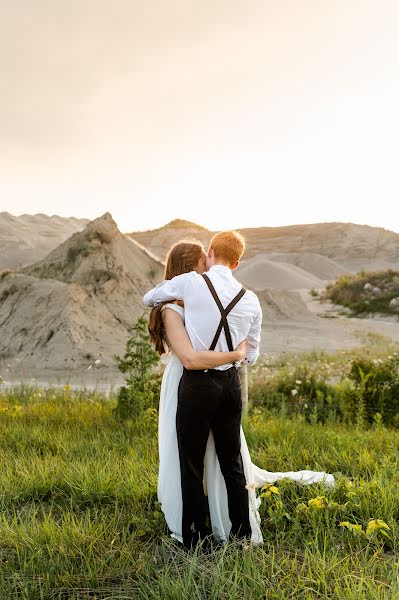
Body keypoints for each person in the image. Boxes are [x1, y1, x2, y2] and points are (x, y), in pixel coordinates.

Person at [145, 235, 334, 549]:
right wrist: (233, 352)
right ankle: (242, 535)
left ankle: (192, 537)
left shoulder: (191, 286)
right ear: (237, 262)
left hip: (197, 384)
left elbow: (150, 300)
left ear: (211, 253)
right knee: (231, 462)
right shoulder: (250, 298)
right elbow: (251, 356)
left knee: (190, 463)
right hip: (230, 383)